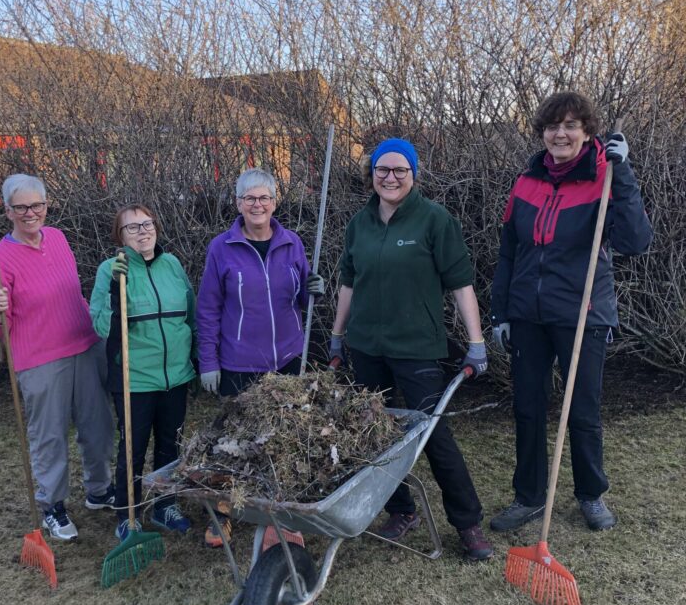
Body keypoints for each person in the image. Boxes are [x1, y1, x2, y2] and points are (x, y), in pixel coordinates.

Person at [489, 91, 652, 533]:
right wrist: (501, 312)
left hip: (583, 311)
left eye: (570, 125)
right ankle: (528, 497)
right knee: (527, 406)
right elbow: (509, 252)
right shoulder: (526, 182)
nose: (560, 133)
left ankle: (590, 495)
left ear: (586, 131)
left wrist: (624, 175)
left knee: (582, 409)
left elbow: (636, 242)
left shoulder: (605, 175)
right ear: (543, 132)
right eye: (552, 125)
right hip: (527, 314)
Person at [328, 138, 494, 562]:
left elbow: (461, 284)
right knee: (374, 432)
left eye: (400, 170)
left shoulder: (434, 220)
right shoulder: (359, 224)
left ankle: (468, 523)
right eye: (382, 170)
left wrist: (475, 343)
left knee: (433, 435)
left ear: (414, 175)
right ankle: (400, 510)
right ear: (372, 175)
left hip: (417, 348)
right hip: (366, 347)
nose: (391, 177)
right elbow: (348, 283)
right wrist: (337, 334)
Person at [0, 174, 114, 541]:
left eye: (36, 205)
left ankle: (99, 490)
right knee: (49, 436)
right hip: (39, 360)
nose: (30, 213)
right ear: (7, 211)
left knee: (98, 427)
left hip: (85, 345)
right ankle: (53, 505)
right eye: (20, 207)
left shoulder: (58, 238)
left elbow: (72, 293)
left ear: (46, 206)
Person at [196, 168, 324, 546]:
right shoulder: (222, 248)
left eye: (264, 198)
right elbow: (208, 309)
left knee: (282, 439)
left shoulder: (292, 243)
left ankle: (280, 516)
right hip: (238, 362)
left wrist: (314, 288)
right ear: (238, 204)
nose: (257, 204)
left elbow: (301, 297)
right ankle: (224, 512)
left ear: (274, 202)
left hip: (286, 358)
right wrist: (209, 361)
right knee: (233, 443)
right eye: (249, 198)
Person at [90, 204, 197, 542]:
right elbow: (100, 325)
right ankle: (129, 515)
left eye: (147, 224)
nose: (142, 231)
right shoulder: (110, 270)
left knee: (171, 446)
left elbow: (190, 315)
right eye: (132, 227)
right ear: (119, 237)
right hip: (134, 379)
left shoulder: (172, 265)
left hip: (175, 377)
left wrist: (194, 357)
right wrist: (114, 292)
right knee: (133, 451)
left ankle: (166, 506)